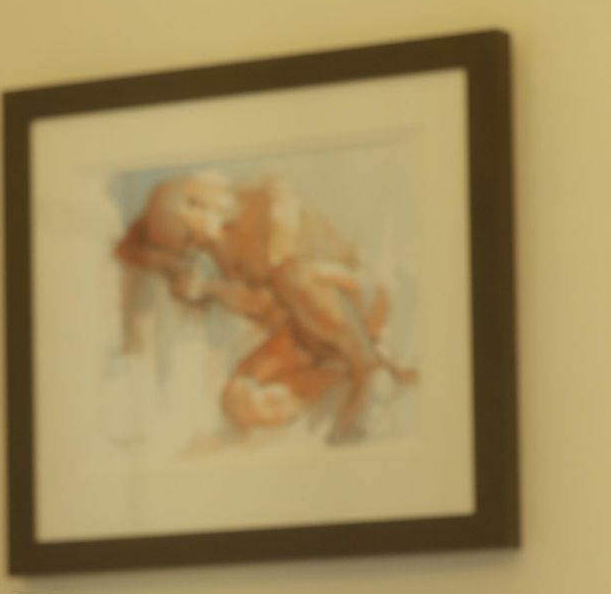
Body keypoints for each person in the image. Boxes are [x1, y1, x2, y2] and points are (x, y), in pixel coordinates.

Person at [114, 171, 417, 441]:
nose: (196, 247)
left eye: (190, 236)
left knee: (292, 275)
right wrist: (211, 289)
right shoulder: (218, 252)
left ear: (194, 202)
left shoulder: (266, 195)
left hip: (354, 301)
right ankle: (343, 371)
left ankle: (367, 367)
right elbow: (265, 309)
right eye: (188, 246)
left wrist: (276, 254)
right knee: (238, 399)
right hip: (305, 334)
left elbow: (285, 260)